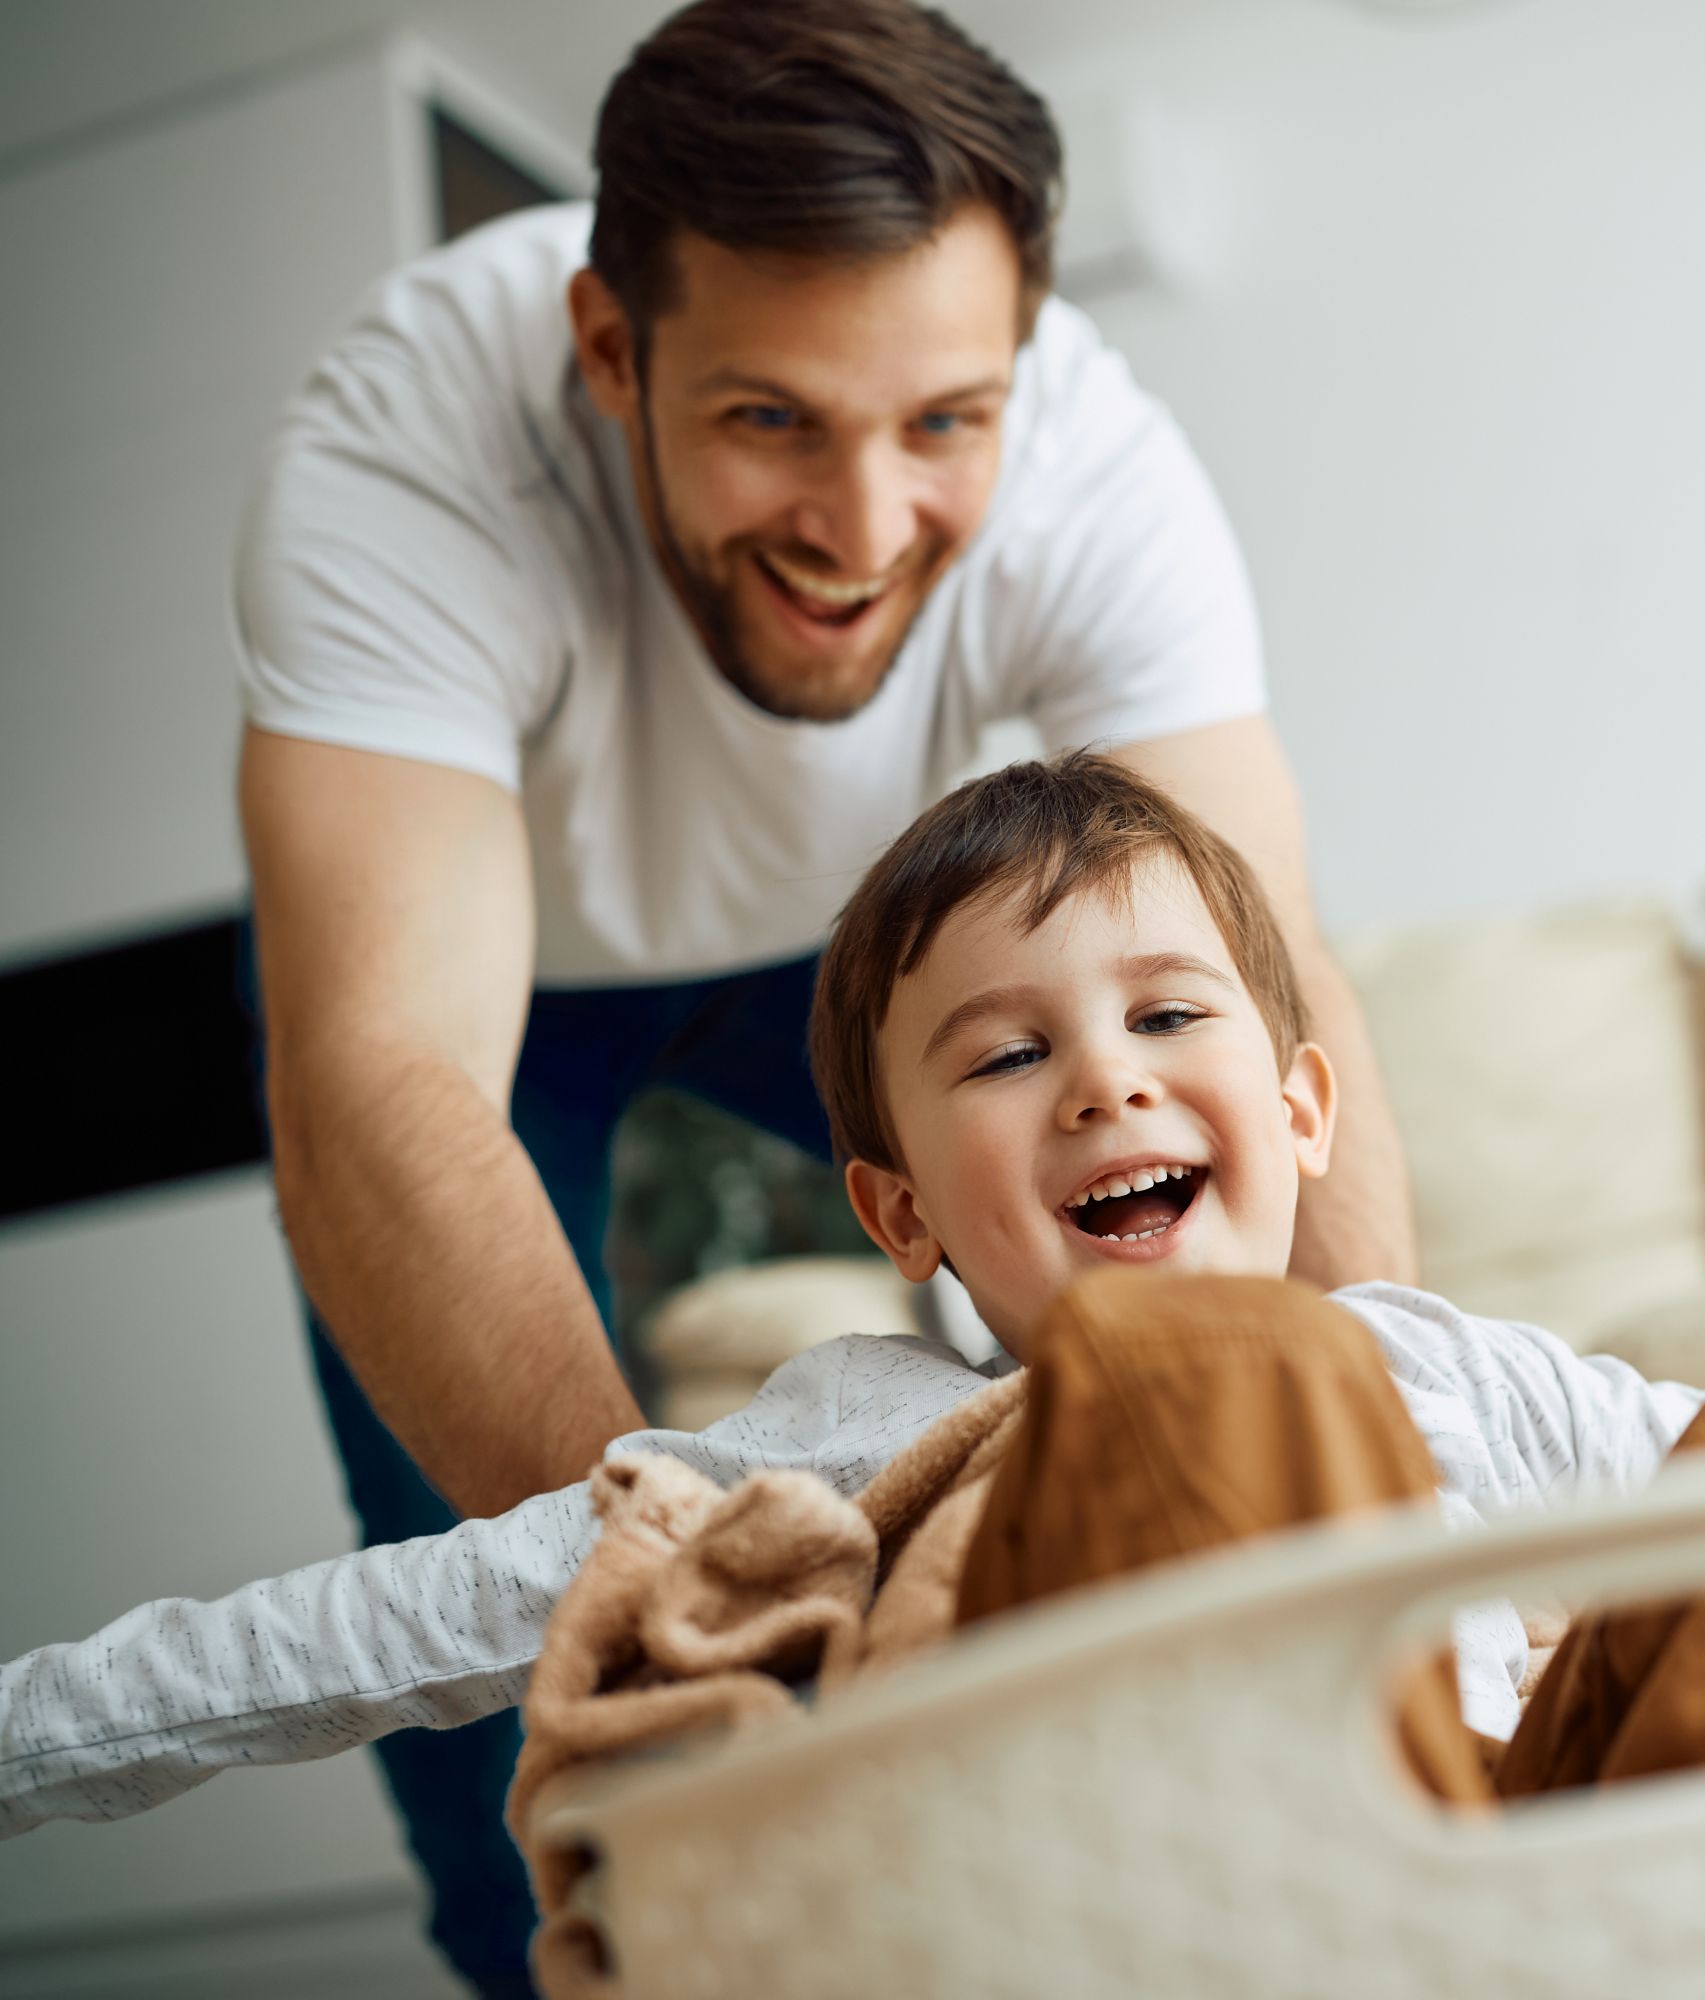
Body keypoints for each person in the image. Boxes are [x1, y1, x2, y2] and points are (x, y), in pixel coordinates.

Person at [4, 758, 1705, 1988]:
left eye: (1162, 1011)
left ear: (1303, 1109)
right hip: (1149, 1919)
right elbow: (391, 1620)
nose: (1107, 1075)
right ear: (904, 1213)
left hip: (1579, 1912)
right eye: (1007, 1053)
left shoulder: (1461, 1369)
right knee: (1191, 1374)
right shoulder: (850, 1427)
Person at [233, 1, 1414, 1981]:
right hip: (489, 990)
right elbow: (380, 1071)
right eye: (772, 417)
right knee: (505, 1640)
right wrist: (675, 1588)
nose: (867, 536)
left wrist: (1401, 1458)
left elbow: (1270, 986)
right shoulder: (407, 444)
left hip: (856, 946)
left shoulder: (1098, 464)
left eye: (945, 424)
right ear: (616, 353)